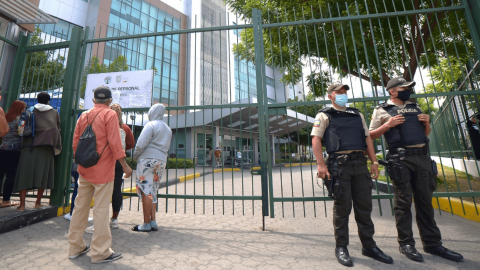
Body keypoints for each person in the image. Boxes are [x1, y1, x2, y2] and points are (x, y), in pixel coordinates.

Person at [369, 77, 463, 262]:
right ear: (392, 91)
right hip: (401, 159)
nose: (409, 91)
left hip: (422, 158)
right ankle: (406, 244)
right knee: (403, 204)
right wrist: (388, 125)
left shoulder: (415, 107)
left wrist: (427, 123)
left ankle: (433, 244)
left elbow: (424, 134)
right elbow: (369, 136)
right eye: (405, 88)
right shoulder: (381, 110)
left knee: (425, 202)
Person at [312, 83, 392, 267]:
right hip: (340, 167)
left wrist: (373, 162)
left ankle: (369, 246)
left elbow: (367, 139)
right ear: (331, 96)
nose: (343, 95)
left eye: (344, 92)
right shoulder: (324, 115)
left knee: (364, 208)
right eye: (338, 93)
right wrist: (321, 164)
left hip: (360, 165)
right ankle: (341, 247)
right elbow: (316, 139)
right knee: (342, 208)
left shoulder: (357, 115)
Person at [68, 86, 132, 264]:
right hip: (103, 170)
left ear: (94, 100)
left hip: (84, 169)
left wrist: (82, 160)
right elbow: (114, 142)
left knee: (80, 207)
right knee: (101, 210)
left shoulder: (84, 115)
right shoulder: (110, 115)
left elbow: (75, 142)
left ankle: (75, 247)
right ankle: (100, 252)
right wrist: (125, 166)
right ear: (110, 101)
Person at [84, 104, 135, 232]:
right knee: (116, 190)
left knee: (101, 190)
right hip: (119, 161)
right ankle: (114, 220)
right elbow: (131, 144)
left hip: (104, 160)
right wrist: (121, 151)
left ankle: (100, 222)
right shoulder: (126, 128)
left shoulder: (103, 125)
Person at [14, 93, 62, 211]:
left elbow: (21, 128)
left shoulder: (30, 110)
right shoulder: (54, 112)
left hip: (28, 147)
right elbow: (58, 128)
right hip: (46, 148)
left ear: (37, 99)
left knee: (24, 176)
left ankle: (22, 205)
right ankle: (38, 203)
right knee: (43, 175)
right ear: (48, 101)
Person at [132, 103, 172, 232]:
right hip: (161, 161)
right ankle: (153, 221)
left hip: (147, 160)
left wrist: (135, 156)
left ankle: (146, 223)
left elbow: (140, 144)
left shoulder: (151, 125)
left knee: (145, 190)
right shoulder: (168, 128)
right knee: (153, 190)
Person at [0, 100, 26, 208]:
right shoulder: (19, 120)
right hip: (14, 150)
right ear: (20, 109)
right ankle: (6, 200)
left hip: (2, 148)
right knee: (11, 176)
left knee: (0, 174)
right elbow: (21, 133)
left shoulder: (4, 116)